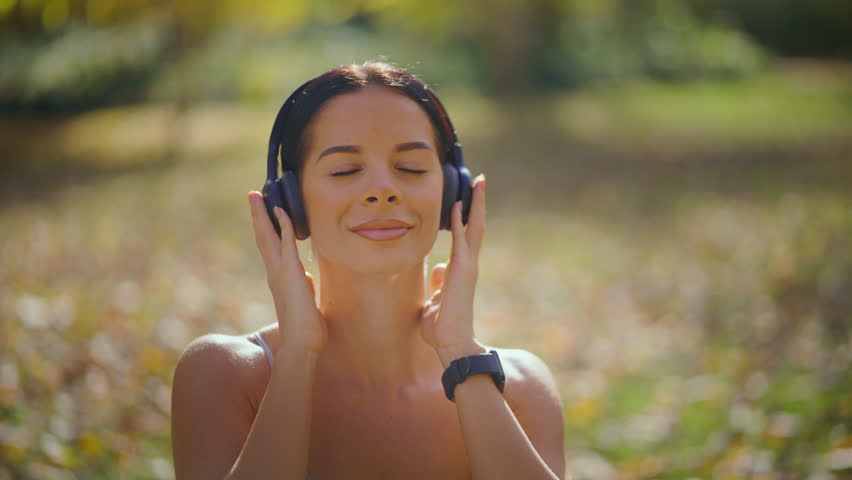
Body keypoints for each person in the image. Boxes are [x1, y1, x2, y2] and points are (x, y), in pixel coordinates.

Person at [170, 62, 566, 480]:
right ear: (289, 202)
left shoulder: (520, 387)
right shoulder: (225, 375)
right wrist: (297, 356)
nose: (382, 189)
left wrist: (462, 357)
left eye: (411, 167)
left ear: (454, 193)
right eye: (345, 170)